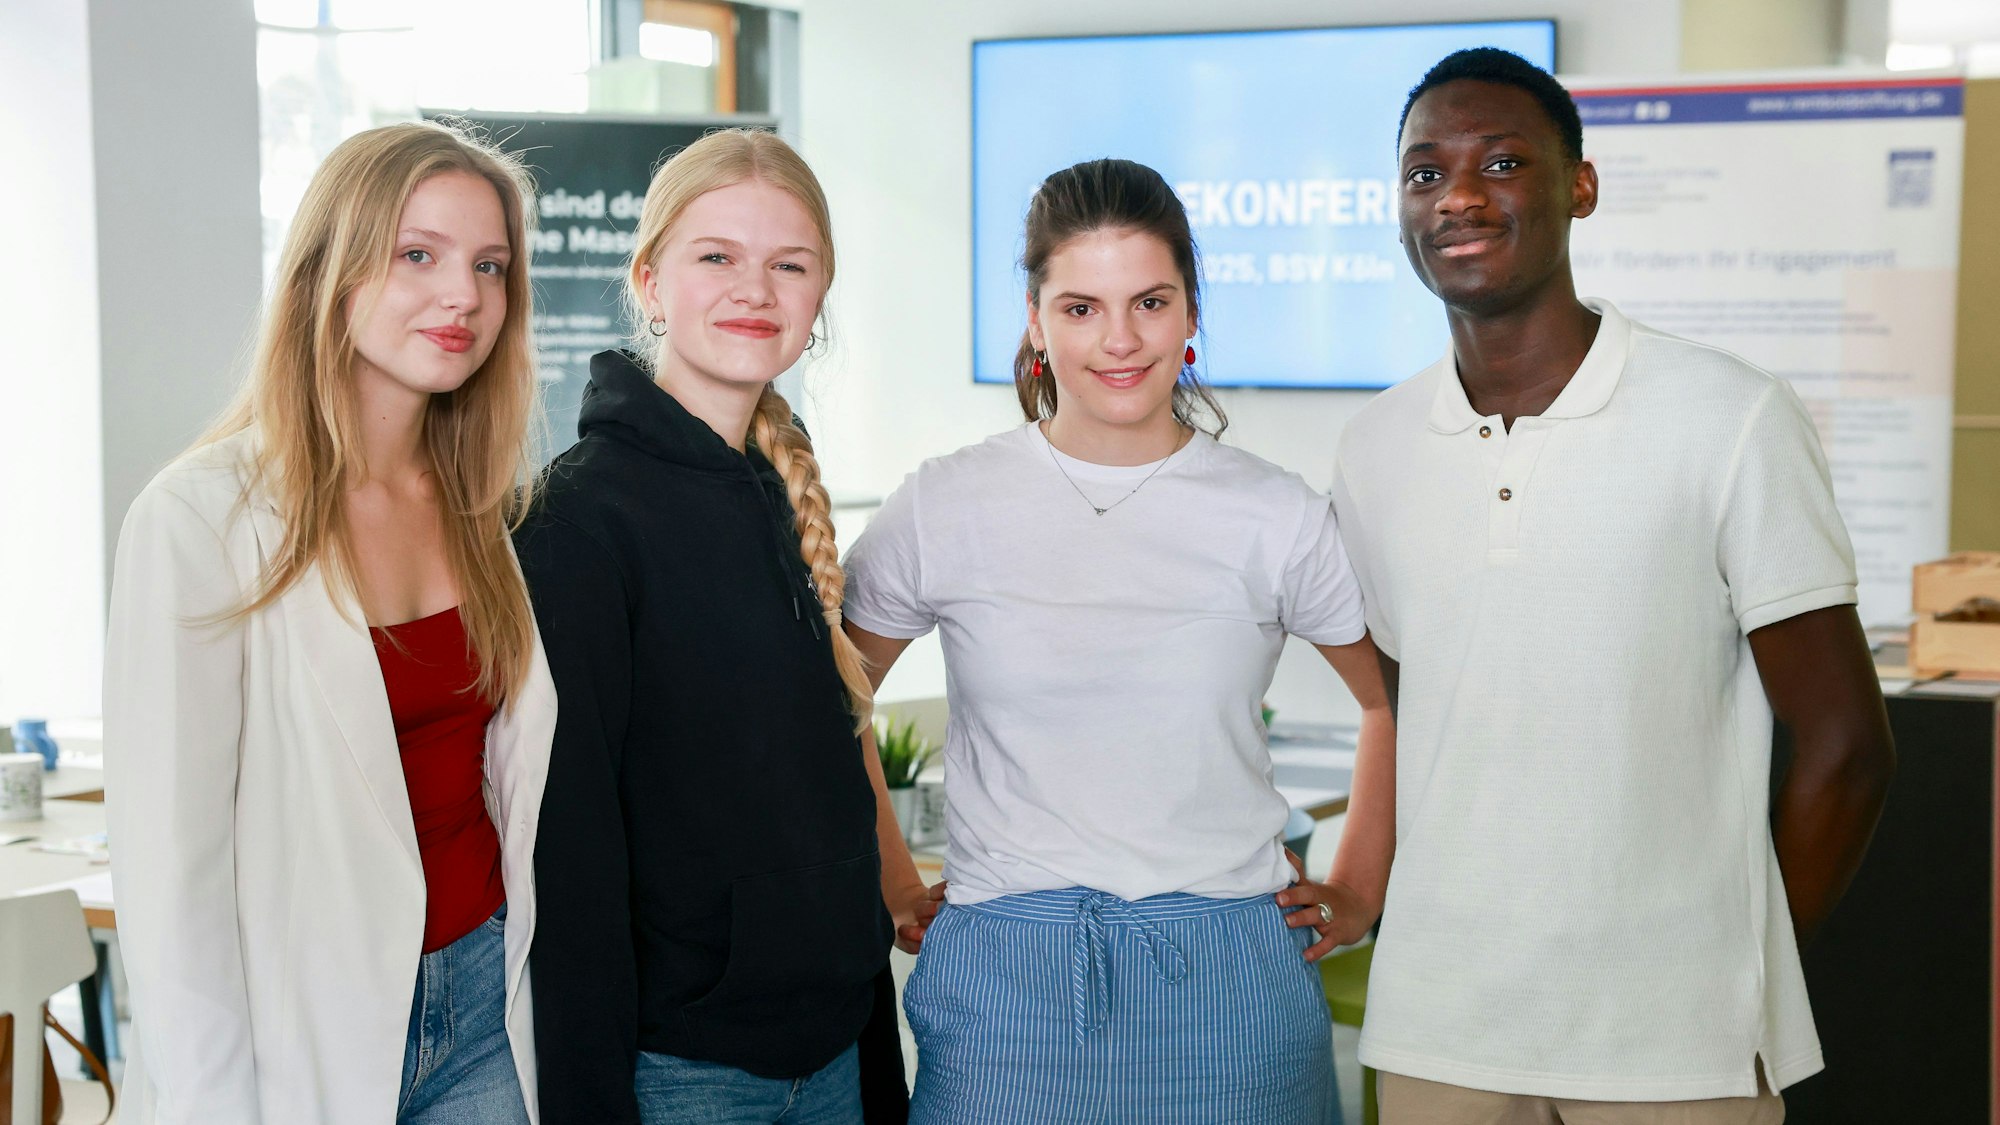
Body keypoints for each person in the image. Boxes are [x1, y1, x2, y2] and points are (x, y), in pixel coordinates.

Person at [1327, 48, 1897, 1123]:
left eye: (1500, 162)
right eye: (1422, 172)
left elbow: (1845, 746)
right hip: (1443, 1027)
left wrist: (1738, 975)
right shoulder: (1374, 447)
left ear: (1577, 187)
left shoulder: (1728, 417)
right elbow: (1403, 713)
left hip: (1672, 1049)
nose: (1454, 194)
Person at [840, 156, 1395, 1125]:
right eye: (1081, 308)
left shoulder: (1272, 512)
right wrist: (891, 878)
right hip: (1003, 985)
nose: (1120, 340)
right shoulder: (945, 502)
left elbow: (1388, 697)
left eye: (1149, 301)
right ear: (1034, 319)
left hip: (1231, 981)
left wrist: (1357, 885)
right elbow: (833, 701)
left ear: (1189, 313)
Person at [104, 120, 554, 1124]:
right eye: (418, 255)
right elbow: (170, 881)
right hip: (300, 1028)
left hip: (482, 1002)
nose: (464, 296)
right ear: (329, 273)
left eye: (490, 265)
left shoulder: (484, 507)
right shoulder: (199, 520)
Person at [516, 128, 935, 1125]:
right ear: (650, 280)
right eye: (717, 258)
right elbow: (563, 856)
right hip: (680, 1070)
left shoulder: (782, 492)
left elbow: (821, 777)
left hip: (833, 1042)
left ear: (818, 298)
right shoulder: (576, 519)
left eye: (788, 265)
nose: (754, 290)